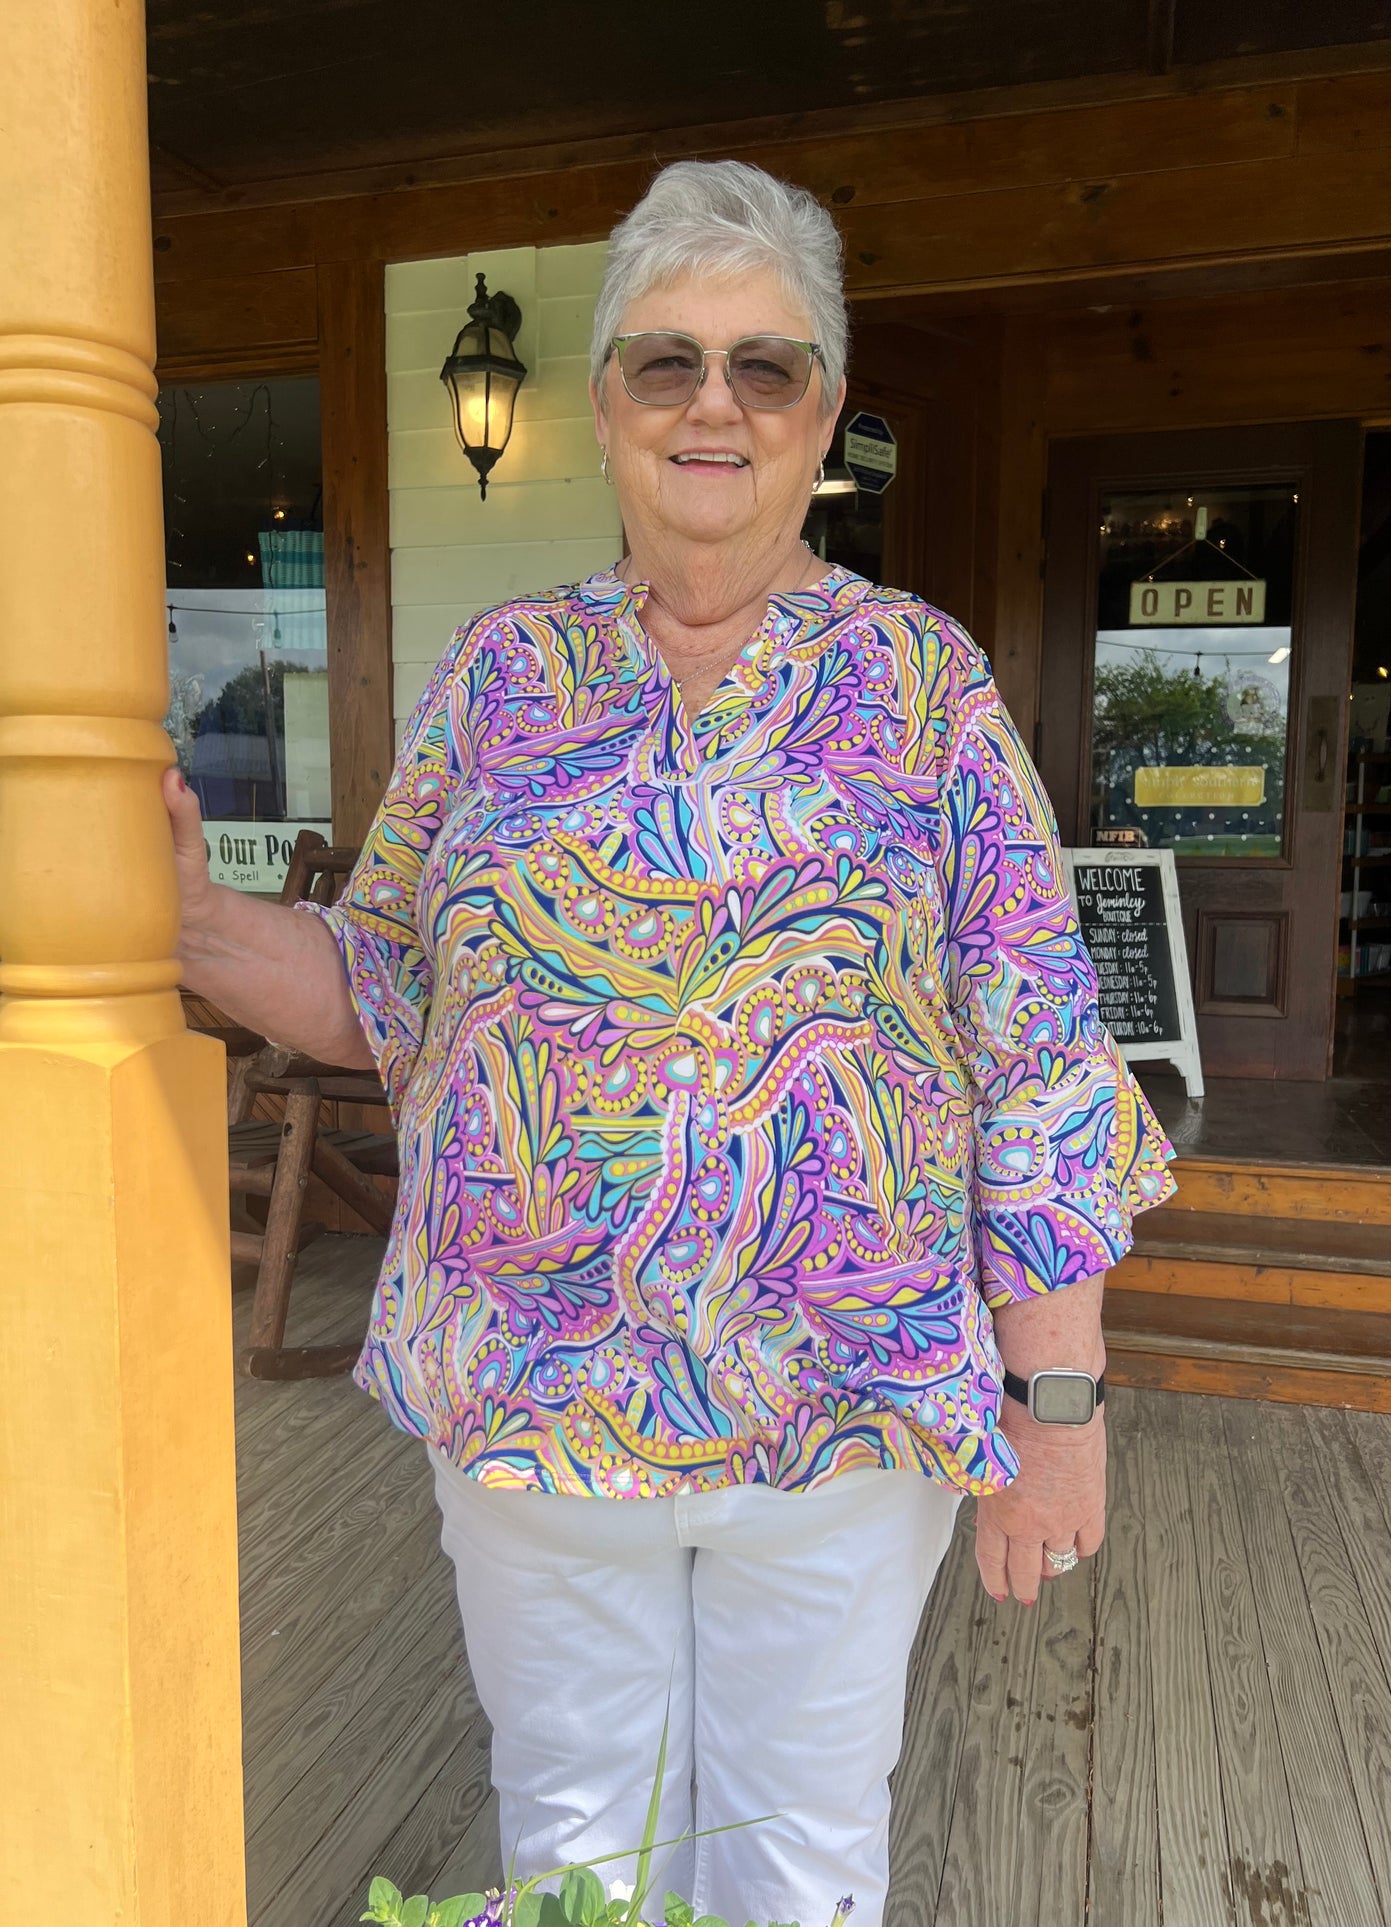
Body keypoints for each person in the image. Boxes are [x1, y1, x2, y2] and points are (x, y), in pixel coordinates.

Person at [166, 159, 1175, 1927]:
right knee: (575, 1836)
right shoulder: (502, 677)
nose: (715, 403)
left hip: (841, 1418)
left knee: (797, 1846)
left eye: (764, 367)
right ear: (606, 400)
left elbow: (1038, 1058)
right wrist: (183, 918)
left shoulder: (922, 684)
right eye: (667, 362)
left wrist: (1060, 1407)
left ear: (826, 416)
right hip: (531, 1398)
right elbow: (384, 983)